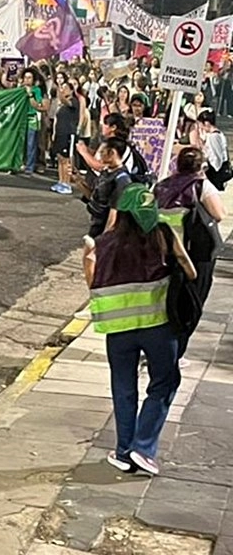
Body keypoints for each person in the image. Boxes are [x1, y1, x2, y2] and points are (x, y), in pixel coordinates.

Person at [83, 184, 193, 477]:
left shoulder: (102, 244)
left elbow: (93, 282)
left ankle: (123, 452)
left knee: (123, 387)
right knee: (164, 382)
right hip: (158, 326)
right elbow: (191, 272)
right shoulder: (163, 234)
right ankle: (143, 449)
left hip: (118, 330)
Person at [155, 146, 225, 363]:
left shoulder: (161, 186)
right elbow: (219, 214)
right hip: (196, 254)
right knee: (192, 303)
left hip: (165, 252)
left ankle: (160, 348)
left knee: (167, 302)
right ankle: (177, 352)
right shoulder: (202, 186)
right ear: (201, 167)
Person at [50, 82, 80, 195]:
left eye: (66, 88)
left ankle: (67, 183)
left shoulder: (74, 102)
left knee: (66, 159)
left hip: (68, 134)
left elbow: (65, 101)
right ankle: (61, 181)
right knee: (60, 158)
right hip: (59, 134)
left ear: (72, 90)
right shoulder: (60, 106)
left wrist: (59, 91)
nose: (63, 90)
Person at [192, 109, 229, 190]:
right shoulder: (214, 135)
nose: (200, 127)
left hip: (215, 172)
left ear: (206, 123)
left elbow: (216, 157)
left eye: (200, 124)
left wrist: (211, 171)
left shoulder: (214, 136)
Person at [21, 68, 49, 175]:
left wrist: (30, 95)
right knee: (22, 143)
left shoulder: (37, 90)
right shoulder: (20, 89)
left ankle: (30, 166)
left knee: (31, 143)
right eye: (25, 77)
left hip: (33, 118)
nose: (27, 80)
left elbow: (37, 105)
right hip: (22, 119)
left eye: (29, 78)